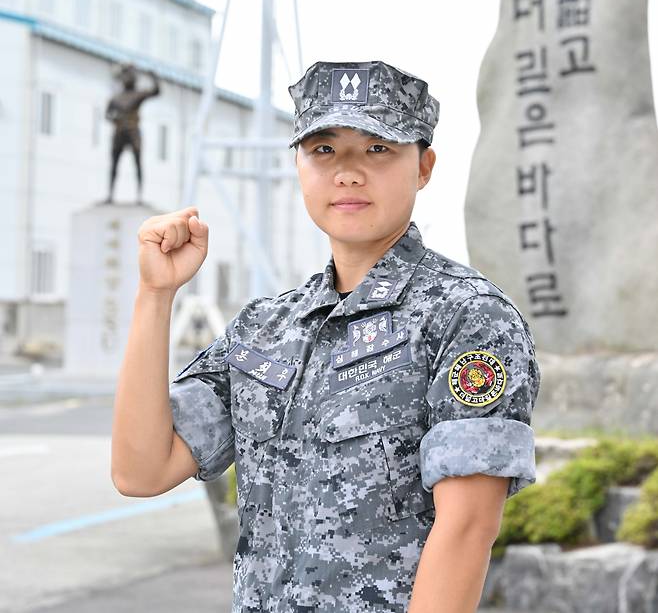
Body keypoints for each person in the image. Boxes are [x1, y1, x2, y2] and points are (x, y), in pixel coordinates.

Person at [111, 59, 541, 613]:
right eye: (323, 150)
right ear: (298, 164)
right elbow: (141, 470)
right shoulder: (266, 328)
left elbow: (468, 528)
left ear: (424, 166)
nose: (348, 172)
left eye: (378, 148)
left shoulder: (466, 317)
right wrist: (155, 297)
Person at [104, 63, 160, 204]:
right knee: (114, 164)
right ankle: (110, 195)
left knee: (137, 163)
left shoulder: (137, 94)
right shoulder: (116, 98)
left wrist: (154, 77)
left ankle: (139, 196)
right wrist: (115, 119)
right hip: (119, 131)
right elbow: (107, 114)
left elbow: (155, 91)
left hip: (133, 131)